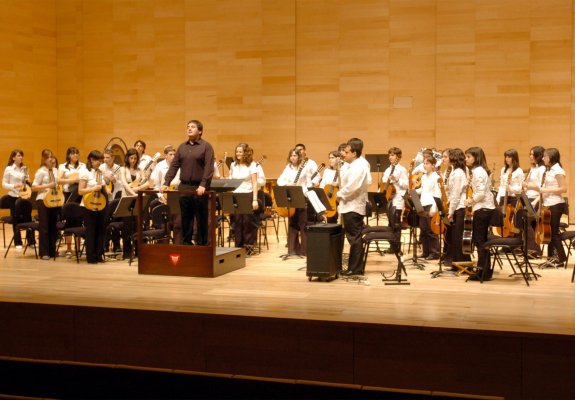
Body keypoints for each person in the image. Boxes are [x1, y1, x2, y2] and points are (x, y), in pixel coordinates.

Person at [161, 119, 215, 246]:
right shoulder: (182, 147)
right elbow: (174, 166)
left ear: (200, 131)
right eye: (188, 127)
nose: (189, 129)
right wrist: (166, 182)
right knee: (186, 218)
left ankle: (202, 245)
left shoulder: (206, 146)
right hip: (184, 186)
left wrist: (203, 184)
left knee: (201, 219)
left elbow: (209, 168)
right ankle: (186, 244)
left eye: (193, 127)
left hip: (199, 188)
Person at [527, 148, 567, 268]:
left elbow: (564, 189)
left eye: (545, 156)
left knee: (553, 232)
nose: (543, 158)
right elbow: (543, 190)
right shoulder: (548, 170)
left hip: (556, 204)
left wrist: (546, 190)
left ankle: (560, 258)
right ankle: (552, 257)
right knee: (548, 232)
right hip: (548, 203)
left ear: (551, 157)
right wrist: (538, 203)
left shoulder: (558, 170)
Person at [337, 138, 370, 276]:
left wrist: (339, 194)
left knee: (354, 238)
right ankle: (353, 267)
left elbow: (352, 186)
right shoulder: (352, 164)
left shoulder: (360, 166)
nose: (344, 154)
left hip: (353, 206)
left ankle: (355, 269)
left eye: (346, 151)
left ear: (354, 153)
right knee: (352, 237)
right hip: (348, 205)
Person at [464, 147, 496, 281]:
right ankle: (484, 270)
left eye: (468, 157)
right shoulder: (478, 171)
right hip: (483, 207)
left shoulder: (478, 172)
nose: (466, 159)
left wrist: (470, 201)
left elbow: (481, 193)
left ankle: (482, 271)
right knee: (481, 241)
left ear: (476, 158)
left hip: (483, 208)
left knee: (479, 241)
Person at [78, 150, 110, 264]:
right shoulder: (84, 172)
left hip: (100, 204)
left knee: (101, 230)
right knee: (91, 231)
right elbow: (80, 191)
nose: (100, 163)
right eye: (98, 161)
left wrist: (106, 189)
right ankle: (91, 257)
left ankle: (98, 255)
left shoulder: (99, 172)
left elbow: (102, 185)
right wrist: (93, 188)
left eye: (101, 161)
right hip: (88, 205)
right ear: (91, 160)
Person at [277, 147, 309, 256]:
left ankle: (304, 251)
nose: (293, 157)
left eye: (295, 155)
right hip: (291, 198)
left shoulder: (304, 168)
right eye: (291, 155)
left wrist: (301, 189)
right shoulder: (288, 168)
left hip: (301, 196)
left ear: (299, 157)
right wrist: (289, 184)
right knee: (292, 223)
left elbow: (308, 183)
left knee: (303, 223)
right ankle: (293, 250)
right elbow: (280, 181)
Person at [228, 143, 260, 253]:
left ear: (245, 153)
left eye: (240, 152)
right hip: (236, 195)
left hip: (247, 194)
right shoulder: (233, 165)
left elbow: (255, 183)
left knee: (247, 222)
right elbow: (231, 180)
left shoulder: (252, 165)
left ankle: (248, 246)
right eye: (237, 151)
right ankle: (238, 246)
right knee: (237, 221)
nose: (238, 154)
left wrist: (255, 199)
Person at [32, 149, 60, 260]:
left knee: (53, 226)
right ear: (44, 159)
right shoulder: (41, 171)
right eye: (49, 157)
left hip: (54, 199)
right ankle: (44, 252)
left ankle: (52, 251)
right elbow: (34, 187)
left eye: (52, 157)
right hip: (43, 200)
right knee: (44, 227)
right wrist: (47, 185)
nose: (51, 160)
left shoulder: (55, 170)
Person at [2, 149, 32, 249]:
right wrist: (14, 185)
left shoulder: (25, 168)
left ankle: (31, 240)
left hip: (24, 196)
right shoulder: (9, 169)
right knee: (16, 218)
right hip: (13, 196)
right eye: (18, 155)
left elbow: (27, 183)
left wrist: (28, 182)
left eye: (21, 155)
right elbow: (4, 184)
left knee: (28, 217)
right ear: (13, 157)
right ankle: (18, 242)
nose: (21, 157)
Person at [446, 148, 470, 266]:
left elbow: (455, 194)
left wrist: (450, 211)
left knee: (458, 237)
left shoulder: (458, 173)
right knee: (456, 237)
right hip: (457, 207)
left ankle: (461, 263)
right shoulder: (455, 171)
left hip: (459, 208)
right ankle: (457, 263)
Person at [381, 147, 408, 253]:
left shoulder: (402, 170)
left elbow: (406, 185)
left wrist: (397, 180)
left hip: (398, 199)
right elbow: (384, 184)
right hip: (389, 199)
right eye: (389, 155)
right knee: (390, 223)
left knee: (396, 224)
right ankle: (392, 246)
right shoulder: (387, 170)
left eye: (392, 155)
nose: (390, 157)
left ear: (398, 157)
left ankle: (397, 248)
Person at [522, 146, 546, 257]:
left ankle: (534, 250)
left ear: (539, 155)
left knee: (526, 222)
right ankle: (528, 249)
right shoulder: (533, 168)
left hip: (536, 199)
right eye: (530, 154)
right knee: (525, 222)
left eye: (533, 154)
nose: (531, 156)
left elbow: (541, 187)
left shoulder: (542, 169)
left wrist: (536, 201)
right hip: (528, 198)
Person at [416, 155, 441, 260]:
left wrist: (434, 208)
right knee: (423, 229)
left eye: (427, 163)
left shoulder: (436, 177)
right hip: (422, 204)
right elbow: (422, 190)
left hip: (431, 204)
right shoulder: (423, 176)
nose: (425, 165)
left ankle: (434, 252)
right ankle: (425, 252)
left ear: (433, 165)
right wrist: (413, 191)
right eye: (424, 163)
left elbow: (437, 193)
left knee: (431, 230)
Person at [319, 150, 341, 223]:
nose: (330, 160)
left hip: (338, 199)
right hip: (328, 198)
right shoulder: (326, 171)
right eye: (329, 158)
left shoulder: (342, 170)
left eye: (332, 158)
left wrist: (337, 184)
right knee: (329, 221)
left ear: (338, 159)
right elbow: (322, 184)